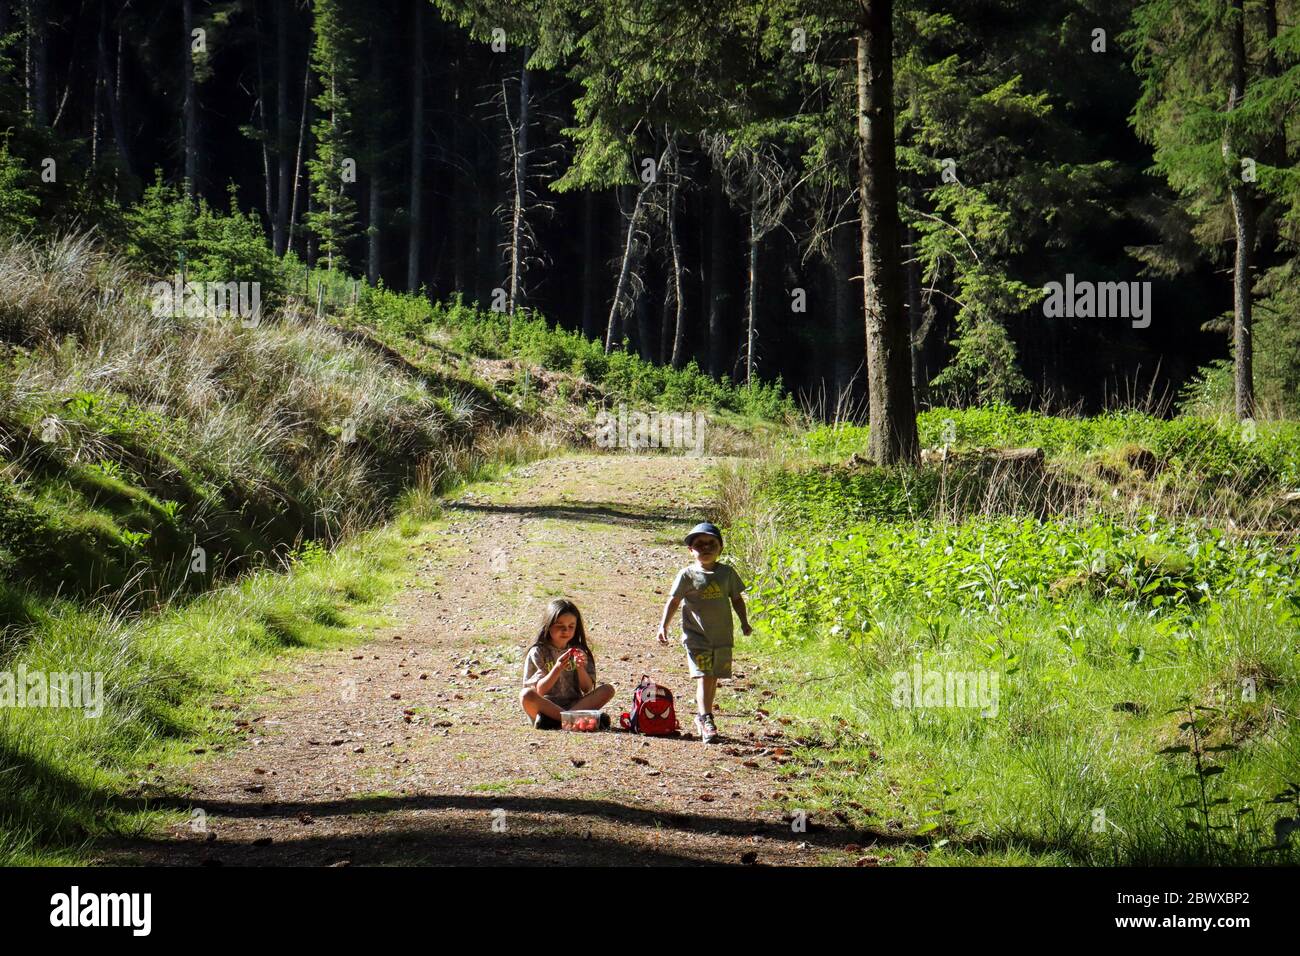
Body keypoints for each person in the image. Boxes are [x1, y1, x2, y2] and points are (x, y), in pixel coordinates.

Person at [656, 522, 751, 743]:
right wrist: (663, 625)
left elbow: (736, 599)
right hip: (696, 636)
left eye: (711, 544)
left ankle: (704, 717)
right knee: (704, 676)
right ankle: (705, 717)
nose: (706, 548)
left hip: (722, 636)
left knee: (712, 677)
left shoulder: (727, 573)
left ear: (721, 548)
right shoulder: (687, 575)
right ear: (691, 550)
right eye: (699, 544)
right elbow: (674, 600)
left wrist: (744, 622)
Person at [520, 598, 615, 730]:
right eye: (560, 625)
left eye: (571, 626)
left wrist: (581, 668)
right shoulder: (538, 652)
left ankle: (559, 721)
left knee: (608, 689)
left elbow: (587, 688)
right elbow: (539, 691)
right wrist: (557, 668)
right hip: (546, 707)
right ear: (548, 625)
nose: (565, 630)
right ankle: (571, 720)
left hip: (575, 706)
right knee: (526, 695)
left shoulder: (579, 650)